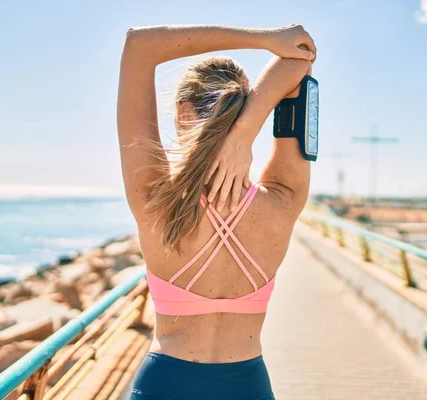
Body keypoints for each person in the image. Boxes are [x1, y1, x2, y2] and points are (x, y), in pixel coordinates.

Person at [117, 24, 316, 400]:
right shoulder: (283, 198)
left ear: (181, 112)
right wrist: (245, 131)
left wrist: (265, 38)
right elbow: (300, 61)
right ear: (245, 107)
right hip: (248, 386)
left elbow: (138, 46)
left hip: (165, 385)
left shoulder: (155, 199)